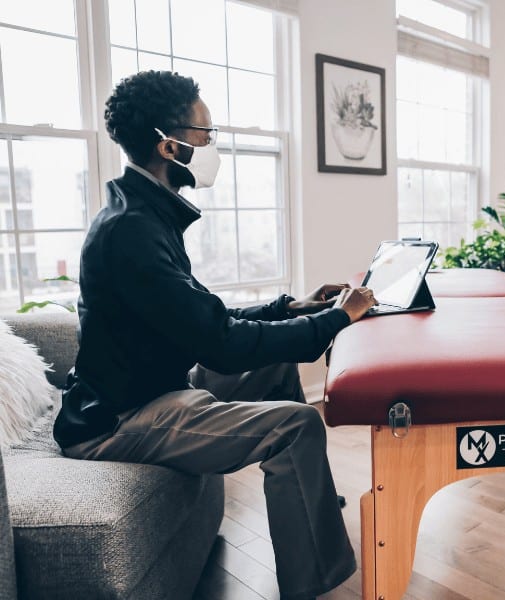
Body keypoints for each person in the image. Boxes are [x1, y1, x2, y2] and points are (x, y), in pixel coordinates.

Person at [53, 70, 376, 600]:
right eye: (204, 133)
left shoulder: (146, 215)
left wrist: (289, 306)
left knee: (273, 365)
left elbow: (200, 314)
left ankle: (307, 500)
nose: (211, 144)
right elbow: (221, 343)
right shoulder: (130, 232)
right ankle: (314, 582)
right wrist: (337, 319)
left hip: (156, 386)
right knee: (296, 426)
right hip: (116, 421)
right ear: (168, 144)